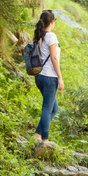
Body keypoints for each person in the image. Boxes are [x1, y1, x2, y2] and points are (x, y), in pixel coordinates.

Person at [33, 10, 64, 143]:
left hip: (39, 77)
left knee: (54, 109)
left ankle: (37, 134)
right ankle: (45, 141)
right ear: (52, 22)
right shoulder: (51, 36)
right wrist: (60, 78)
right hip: (50, 78)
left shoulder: (39, 35)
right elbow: (54, 58)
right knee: (47, 108)